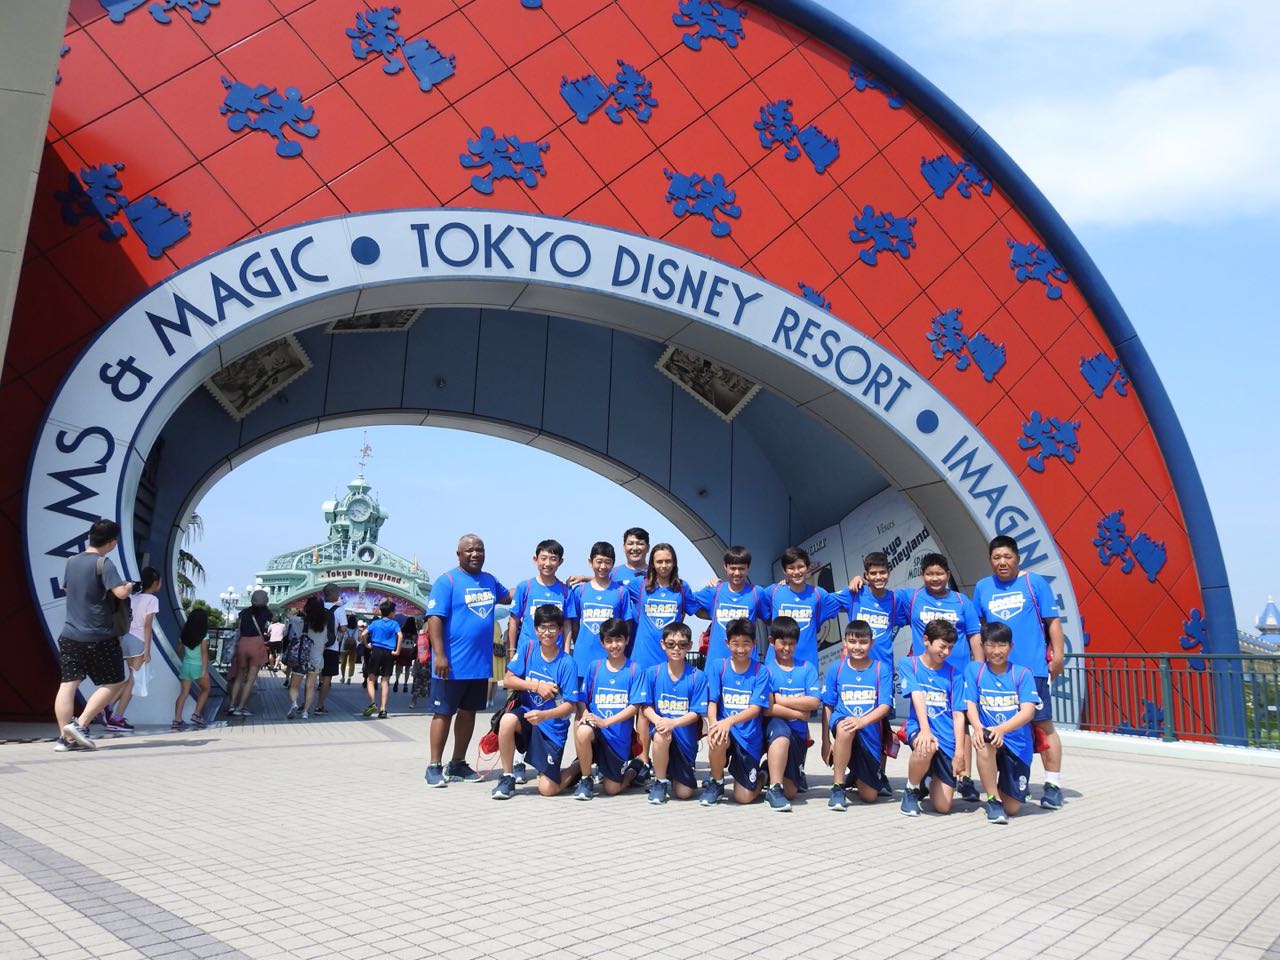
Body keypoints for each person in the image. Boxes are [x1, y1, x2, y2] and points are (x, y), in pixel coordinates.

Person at [971, 535, 1066, 810]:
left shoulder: (1034, 582)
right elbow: (978, 630)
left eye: (1007, 556)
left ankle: (1052, 784)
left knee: (1042, 724)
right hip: (996, 672)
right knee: (998, 726)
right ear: (990, 561)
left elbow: (1053, 623)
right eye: (996, 558)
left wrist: (1057, 658)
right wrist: (979, 665)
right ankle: (1006, 784)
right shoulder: (982, 587)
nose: (1002, 562)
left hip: (1031, 669)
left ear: (1017, 557)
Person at [426, 534, 513, 787]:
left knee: (468, 713)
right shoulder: (447, 581)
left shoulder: (489, 580)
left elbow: (508, 596)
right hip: (450, 665)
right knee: (443, 713)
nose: (475, 554)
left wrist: (539, 582)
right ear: (459, 554)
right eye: (469, 550)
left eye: (480, 550)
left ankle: (458, 763)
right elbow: (434, 619)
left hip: (478, 665)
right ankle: (433, 766)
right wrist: (439, 655)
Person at [896, 551, 983, 802]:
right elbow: (880, 592)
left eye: (940, 573)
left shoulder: (961, 601)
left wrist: (978, 668)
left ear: (948, 574)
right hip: (926, 675)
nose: (935, 578)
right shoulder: (912, 599)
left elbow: (975, 635)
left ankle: (964, 777)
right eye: (930, 573)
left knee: (962, 722)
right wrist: (858, 581)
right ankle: (925, 775)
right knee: (929, 723)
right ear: (922, 575)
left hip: (958, 674)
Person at [54, 519, 134, 751]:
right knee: (116, 681)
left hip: (70, 634)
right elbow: (119, 593)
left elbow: (69, 589)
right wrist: (127, 586)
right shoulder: (103, 563)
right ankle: (80, 724)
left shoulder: (71, 561)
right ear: (111, 542)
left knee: (67, 685)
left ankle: (65, 739)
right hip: (98, 635)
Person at [490, 605, 581, 800]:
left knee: (547, 789)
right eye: (543, 627)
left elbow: (570, 706)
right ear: (536, 629)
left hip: (552, 728)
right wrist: (536, 686)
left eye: (552, 628)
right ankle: (507, 776)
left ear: (559, 630)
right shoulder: (528, 648)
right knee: (507, 720)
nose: (547, 632)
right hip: (528, 716)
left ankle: (578, 766)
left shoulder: (567, 663)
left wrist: (544, 715)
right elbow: (508, 679)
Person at [965, 621, 1041, 824]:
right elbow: (970, 704)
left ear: (1011, 646)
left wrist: (1001, 729)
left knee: (1013, 808)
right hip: (991, 737)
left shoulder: (1022, 673)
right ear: (982, 646)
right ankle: (992, 799)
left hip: (1017, 744)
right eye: (990, 645)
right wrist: (979, 728)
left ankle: (1005, 790)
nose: (996, 651)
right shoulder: (975, 670)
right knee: (983, 743)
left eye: (1001, 645)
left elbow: (1028, 712)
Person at [572, 618, 646, 800]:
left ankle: (633, 769)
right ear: (602, 643)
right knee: (582, 731)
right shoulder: (594, 667)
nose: (614, 645)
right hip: (596, 732)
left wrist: (606, 722)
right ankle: (586, 778)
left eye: (619, 640)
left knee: (612, 789)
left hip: (617, 739)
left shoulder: (635, 669)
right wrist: (586, 712)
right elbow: (582, 699)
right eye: (609, 641)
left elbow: (635, 706)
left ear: (627, 640)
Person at [898, 619, 967, 817]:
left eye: (950, 648)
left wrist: (960, 753)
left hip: (947, 738)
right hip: (919, 728)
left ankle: (927, 779)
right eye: (942, 646)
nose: (946, 652)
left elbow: (958, 714)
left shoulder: (955, 674)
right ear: (926, 640)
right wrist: (925, 730)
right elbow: (917, 695)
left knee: (943, 807)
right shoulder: (908, 664)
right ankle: (911, 790)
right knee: (925, 745)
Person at [821, 620, 893, 810]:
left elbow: (885, 706)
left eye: (863, 642)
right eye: (852, 642)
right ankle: (838, 787)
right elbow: (827, 706)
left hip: (869, 730)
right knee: (845, 727)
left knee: (869, 796)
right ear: (845, 642)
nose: (857, 647)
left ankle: (855, 773)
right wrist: (826, 741)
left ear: (871, 643)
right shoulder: (836, 668)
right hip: (843, 723)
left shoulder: (881, 669)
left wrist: (862, 722)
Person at [702, 618, 771, 807]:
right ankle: (717, 783)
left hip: (748, 736)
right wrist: (714, 723)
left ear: (754, 644)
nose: (741, 649)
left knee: (744, 798)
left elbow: (755, 709)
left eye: (746, 644)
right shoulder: (718, 666)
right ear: (727, 643)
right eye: (735, 644)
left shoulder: (761, 671)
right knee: (716, 736)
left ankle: (763, 775)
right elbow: (712, 701)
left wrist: (728, 721)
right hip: (727, 731)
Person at [641, 622, 708, 804]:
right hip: (664, 734)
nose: (676, 648)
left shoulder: (697, 676)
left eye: (682, 644)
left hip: (685, 742)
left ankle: (673, 772)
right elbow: (646, 707)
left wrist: (673, 723)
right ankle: (660, 781)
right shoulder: (652, 673)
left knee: (684, 793)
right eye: (671, 644)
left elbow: (697, 713)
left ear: (690, 646)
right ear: (663, 644)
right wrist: (659, 721)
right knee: (662, 734)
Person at [761, 616, 820, 810]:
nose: (786, 648)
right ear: (771, 642)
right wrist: (798, 713)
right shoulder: (766, 670)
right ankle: (774, 788)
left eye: (791, 644)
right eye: (782, 643)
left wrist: (781, 699)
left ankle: (767, 772)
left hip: (799, 734)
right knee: (781, 732)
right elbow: (768, 708)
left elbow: (813, 701)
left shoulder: (806, 668)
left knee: (792, 793)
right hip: (776, 727)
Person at [624, 543, 700, 670]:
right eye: (659, 562)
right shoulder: (640, 585)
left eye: (668, 561)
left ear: (674, 562)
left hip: (671, 660)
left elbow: (699, 611)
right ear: (652, 564)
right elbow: (611, 587)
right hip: (642, 660)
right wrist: (588, 579)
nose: (663, 566)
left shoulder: (682, 587)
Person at [765, 546, 843, 669]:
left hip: (806, 666)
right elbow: (753, 605)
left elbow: (846, 600)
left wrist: (859, 580)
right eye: (791, 568)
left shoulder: (818, 594)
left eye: (800, 566)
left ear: (808, 567)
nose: (796, 572)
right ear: (784, 571)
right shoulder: (773, 591)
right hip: (775, 666)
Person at [692, 545, 771, 667]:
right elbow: (688, 602)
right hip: (716, 663)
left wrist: (786, 582)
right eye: (733, 568)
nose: (737, 573)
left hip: (748, 664)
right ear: (725, 567)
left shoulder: (757, 593)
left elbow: (770, 619)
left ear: (748, 568)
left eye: (741, 568)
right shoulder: (714, 591)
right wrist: (713, 615)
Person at [107, 565, 162, 732]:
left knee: (130, 678)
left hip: (125, 639)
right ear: (155, 583)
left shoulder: (134, 597)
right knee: (134, 681)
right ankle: (116, 716)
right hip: (138, 641)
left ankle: (109, 707)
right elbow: (147, 626)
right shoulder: (152, 600)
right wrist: (147, 649)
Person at [564, 541, 630, 680]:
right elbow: (573, 623)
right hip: (583, 659)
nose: (603, 566)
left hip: (611, 658)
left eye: (607, 562)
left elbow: (626, 625)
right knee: (581, 701)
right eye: (599, 561)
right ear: (590, 562)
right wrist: (579, 643)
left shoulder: (621, 592)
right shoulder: (579, 591)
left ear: (613, 564)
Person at [506, 539, 573, 661]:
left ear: (560, 562)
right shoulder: (524, 587)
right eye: (543, 558)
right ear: (535, 560)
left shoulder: (566, 591)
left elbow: (567, 624)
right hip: (526, 654)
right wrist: (512, 651)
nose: (547, 563)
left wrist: (566, 652)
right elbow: (514, 620)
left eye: (553, 559)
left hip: (555, 656)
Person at [227, 590, 272, 717]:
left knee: (239, 677)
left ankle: (231, 705)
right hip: (256, 644)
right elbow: (273, 619)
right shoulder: (266, 612)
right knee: (250, 680)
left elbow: (238, 625)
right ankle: (240, 707)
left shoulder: (244, 612)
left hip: (242, 643)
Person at [286, 597, 328, 720]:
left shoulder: (300, 621)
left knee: (294, 686)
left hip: (301, 658)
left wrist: (298, 610)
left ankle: (294, 704)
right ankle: (305, 712)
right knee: (310, 686)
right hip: (317, 659)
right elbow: (325, 642)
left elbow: (288, 614)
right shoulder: (324, 626)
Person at [360, 600, 402, 718]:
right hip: (389, 652)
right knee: (385, 681)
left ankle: (373, 703)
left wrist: (366, 644)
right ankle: (383, 709)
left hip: (376, 651)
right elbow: (400, 635)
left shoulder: (375, 623)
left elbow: (363, 634)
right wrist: (397, 650)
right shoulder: (395, 624)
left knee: (371, 680)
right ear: (392, 612)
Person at [172, 607, 210, 729]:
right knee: (206, 689)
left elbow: (178, 649)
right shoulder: (204, 635)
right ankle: (196, 714)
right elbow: (204, 653)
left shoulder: (185, 633)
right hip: (198, 666)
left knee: (183, 693)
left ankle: (177, 719)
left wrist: (184, 656)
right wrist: (204, 670)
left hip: (186, 665)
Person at [314, 583, 344, 713]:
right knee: (326, 678)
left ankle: (305, 703)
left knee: (312, 675)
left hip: (315, 645)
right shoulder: (338, 609)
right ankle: (319, 705)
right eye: (338, 593)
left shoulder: (317, 608)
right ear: (333, 595)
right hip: (331, 647)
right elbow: (343, 628)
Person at [409, 618, 432, 709]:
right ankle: (432, 702)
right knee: (431, 681)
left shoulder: (421, 633)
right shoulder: (432, 632)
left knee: (417, 681)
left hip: (420, 659)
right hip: (431, 659)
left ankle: (413, 701)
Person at [393, 616, 418, 693]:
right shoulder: (414, 632)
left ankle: (397, 680)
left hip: (401, 650)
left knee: (398, 667)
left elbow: (398, 639)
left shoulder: (402, 630)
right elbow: (416, 642)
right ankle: (405, 684)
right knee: (407, 668)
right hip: (409, 651)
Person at [339, 617, 358, 683]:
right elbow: (357, 638)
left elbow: (341, 637)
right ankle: (349, 677)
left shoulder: (345, 628)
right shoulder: (356, 629)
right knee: (352, 662)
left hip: (344, 647)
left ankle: (343, 677)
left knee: (343, 663)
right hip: (353, 647)